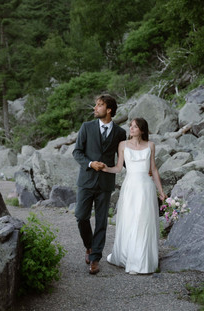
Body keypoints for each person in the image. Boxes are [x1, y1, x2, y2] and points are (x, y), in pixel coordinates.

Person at [103, 117, 167, 274]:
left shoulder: (150, 145)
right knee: (130, 220)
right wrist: (105, 168)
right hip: (130, 187)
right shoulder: (123, 145)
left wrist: (161, 191)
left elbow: (154, 169)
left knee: (143, 222)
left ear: (142, 130)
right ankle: (128, 256)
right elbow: (119, 168)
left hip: (146, 188)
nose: (131, 129)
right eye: (130, 126)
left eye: (135, 127)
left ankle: (142, 260)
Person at [73, 94, 127, 275]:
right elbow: (77, 152)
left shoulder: (120, 133)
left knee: (102, 221)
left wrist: (142, 168)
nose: (95, 108)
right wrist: (90, 163)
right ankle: (89, 246)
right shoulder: (86, 127)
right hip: (86, 181)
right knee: (81, 216)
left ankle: (95, 258)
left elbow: (123, 159)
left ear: (109, 109)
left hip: (105, 183)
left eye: (99, 105)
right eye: (96, 105)